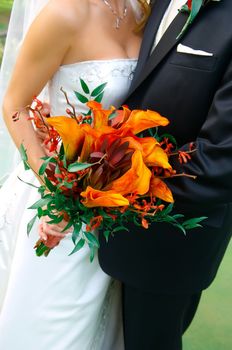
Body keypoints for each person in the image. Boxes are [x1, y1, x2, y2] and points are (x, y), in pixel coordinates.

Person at [0, 0, 149, 349]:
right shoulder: (63, 13)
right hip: (60, 206)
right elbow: (14, 105)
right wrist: (59, 191)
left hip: (114, 205)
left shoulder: (141, 11)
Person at [98, 0, 232, 349]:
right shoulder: (153, 5)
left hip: (169, 243)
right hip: (101, 231)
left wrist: (109, 183)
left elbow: (220, 162)